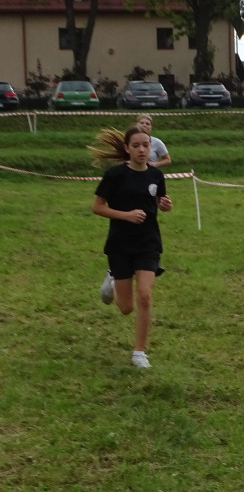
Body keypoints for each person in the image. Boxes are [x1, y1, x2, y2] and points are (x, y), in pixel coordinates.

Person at [89, 124, 174, 369]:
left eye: (146, 145)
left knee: (145, 296)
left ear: (151, 147)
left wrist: (165, 205)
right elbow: (97, 207)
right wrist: (125, 215)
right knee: (126, 308)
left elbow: (159, 202)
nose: (141, 150)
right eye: (136, 145)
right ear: (127, 148)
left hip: (148, 243)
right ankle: (113, 279)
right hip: (120, 244)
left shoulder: (156, 175)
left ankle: (139, 352)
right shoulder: (115, 175)